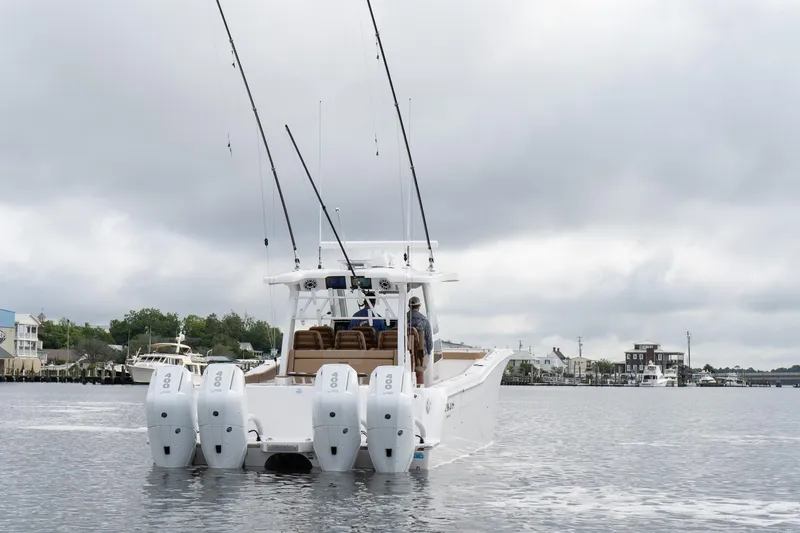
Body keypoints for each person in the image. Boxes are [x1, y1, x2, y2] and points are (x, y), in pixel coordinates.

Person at [407, 296, 432, 386]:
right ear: (419, 306)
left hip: (405, 354)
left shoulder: (402, 319)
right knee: (420, 367)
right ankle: (419, 388)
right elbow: (429, 342)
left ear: (409, 306)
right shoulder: (425, 320)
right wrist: (428, 352)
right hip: (419, 354)